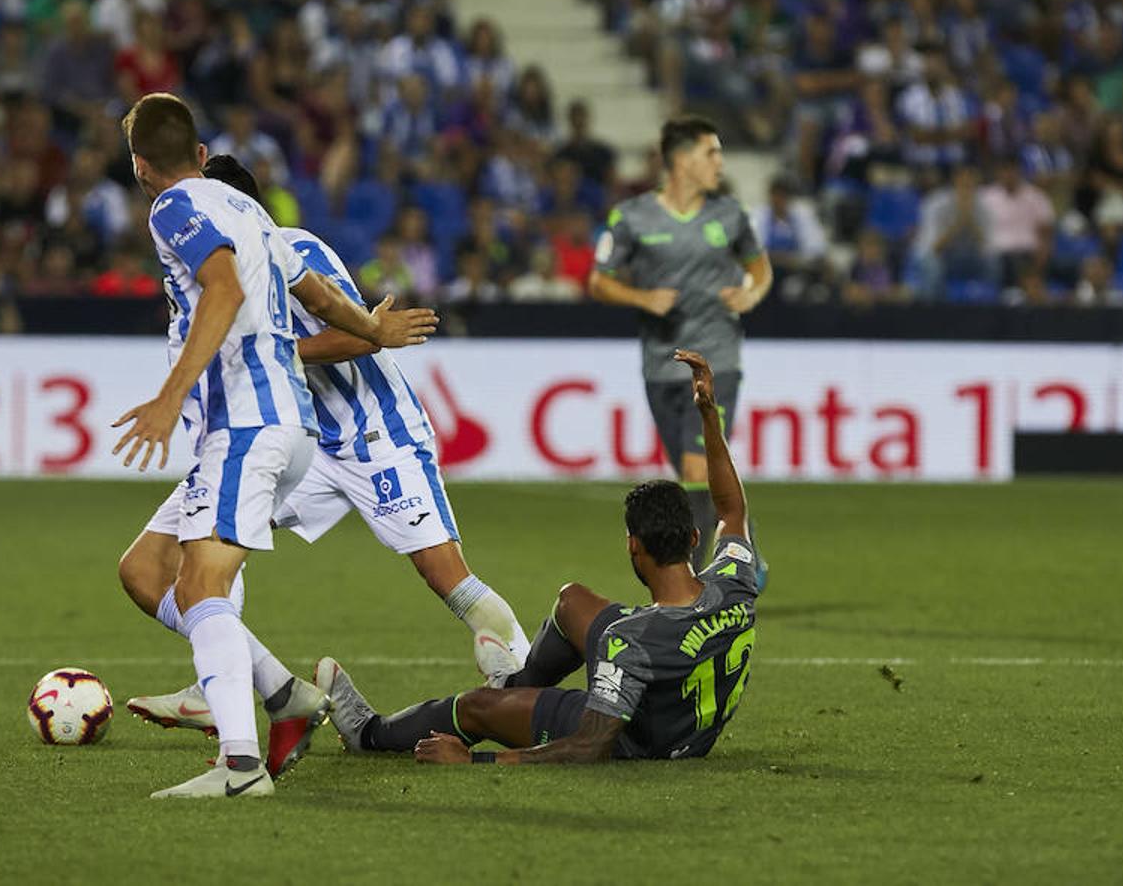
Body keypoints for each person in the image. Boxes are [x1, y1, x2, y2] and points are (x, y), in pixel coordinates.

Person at [123, 154, 532, 741]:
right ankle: (245, 681)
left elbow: (359, 333)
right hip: (300, 440)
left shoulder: (293, 247)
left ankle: (525, 697)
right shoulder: (214, 272)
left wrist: (271, 349)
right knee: (165, 560)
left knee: (450, 579)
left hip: (376, 435)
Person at [111, 93, 436, 799]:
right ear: (200, 154)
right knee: (145, 571)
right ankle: (280, 691)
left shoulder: (172, 208)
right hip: (284, 425)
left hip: (249, 423)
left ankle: (239, 766)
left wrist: (170, 397)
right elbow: (315, 293)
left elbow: (222, 289)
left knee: (201, 587)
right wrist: (372, 330)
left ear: (141, 167)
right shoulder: (253, 210)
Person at [316, 351, 761, 765]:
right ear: (694, 539)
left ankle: (368, 733)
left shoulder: (631, 641)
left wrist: (477, 760)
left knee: (478, 708)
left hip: (641, 739)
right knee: (573, 601)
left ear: (633, 546)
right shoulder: (734, 580)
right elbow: (732, 508)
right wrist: (708, 413)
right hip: (681, 706)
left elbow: (590, 744)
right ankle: (512, 683)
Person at [588, 116, 771, 575]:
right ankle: (743, 542)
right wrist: (641, 297)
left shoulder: (729, 214)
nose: (719, 162)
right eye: (712, 153)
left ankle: (691, 586)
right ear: (683, 160)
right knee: (698, 476)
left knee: (694, 468)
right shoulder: (631, 217)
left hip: (716, 360)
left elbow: (760, 268)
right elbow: (598, 282)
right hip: (660, 365)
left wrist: (750, 292)